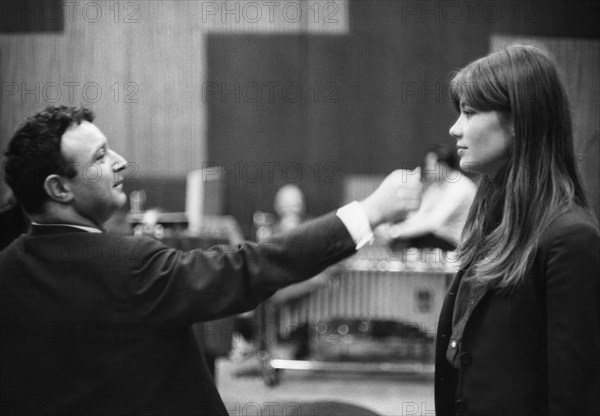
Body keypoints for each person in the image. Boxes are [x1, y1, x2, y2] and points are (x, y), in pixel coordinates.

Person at [0, 105, 420, 415]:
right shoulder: (130, 265)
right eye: (100, 157)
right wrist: (371, 211)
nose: (120, 162)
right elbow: (251, 266)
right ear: (58, 188)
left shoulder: (8, 267)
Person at [435, 44, 600, 416]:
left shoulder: (571, 238)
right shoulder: (494, 224)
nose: (455, 128)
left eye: (469, 112)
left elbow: (574, 398)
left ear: (518, 121)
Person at [379, 145, 477, 251]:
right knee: (401, 234)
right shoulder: (437, 187)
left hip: (457, 243)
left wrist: (396, 232)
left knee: (406, 239)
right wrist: (393, 229)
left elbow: (433, 222)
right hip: (440, 238)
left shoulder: (460, 187)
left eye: (430, 165)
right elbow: (419, 216)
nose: (427, 169)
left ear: (443, 166)